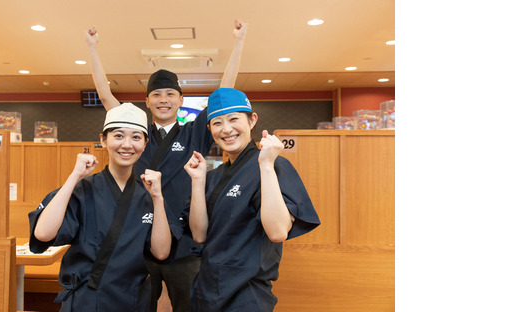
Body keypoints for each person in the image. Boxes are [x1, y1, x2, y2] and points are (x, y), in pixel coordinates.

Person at [84, 19, 248, 312]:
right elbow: (106, 96)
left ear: (181, 99)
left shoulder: (193, 132)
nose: (163, 100)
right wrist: (92, 48)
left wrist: (238, 42)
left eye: (170, 94)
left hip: (185, 245)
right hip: (137, 241)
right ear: (147, 101)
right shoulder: (136, 135)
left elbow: (225, 90)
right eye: (157, 95)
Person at [28, 103, 180, 311]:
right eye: (118, 136)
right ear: (103, 140)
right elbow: (43, 233)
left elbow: (161, 252)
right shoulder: (83, 189)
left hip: (133, 300)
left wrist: (158, 197)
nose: (127, 144)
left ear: (145, 143)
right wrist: (75, 176)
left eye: (136, 137)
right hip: (88, 300)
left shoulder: (149, 193)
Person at [183, 88, 321, 312]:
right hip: (207, 289)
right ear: (209, 129)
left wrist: (266, 164)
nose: (226, 129)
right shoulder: (214, 176)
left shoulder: (275, 166)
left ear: (252, 120)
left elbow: (277, 232)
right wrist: (198, 182)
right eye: (217, 123)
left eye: (233, 119)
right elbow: (200, 235)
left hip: (246, 295)